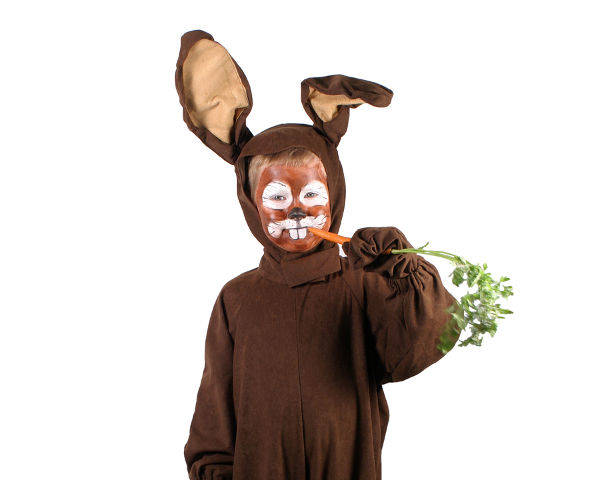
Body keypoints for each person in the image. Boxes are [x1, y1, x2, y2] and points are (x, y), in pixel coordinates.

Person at [175, 30, 459, 480]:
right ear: (250, 204)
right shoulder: (237, 299)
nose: (296, 211)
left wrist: (401, 273)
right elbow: (215, 413)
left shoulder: (362, 284)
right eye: (276, 196)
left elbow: (418, 347)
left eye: (310, 193)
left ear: (334, 195)